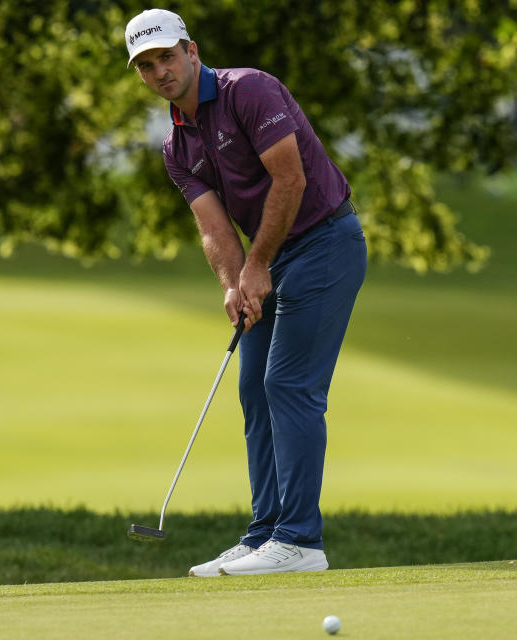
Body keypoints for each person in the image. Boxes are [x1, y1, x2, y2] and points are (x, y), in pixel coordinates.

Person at [125, 9, 367, 576]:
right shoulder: (176, 148)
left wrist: (258, 265)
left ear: (191, 50)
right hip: (270, 260)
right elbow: (213, 227)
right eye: (145, 65)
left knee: (288, 383)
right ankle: (266, 535)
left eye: (166, 56)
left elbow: (291, 179)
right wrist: (235, 285)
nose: (160, 71)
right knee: (254, 388)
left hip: (324, 243)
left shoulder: (250, 91)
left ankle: (300, 542)